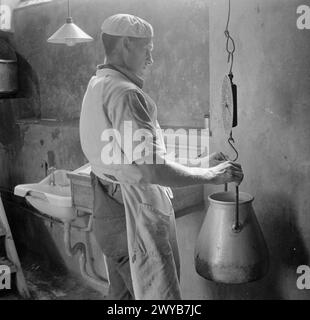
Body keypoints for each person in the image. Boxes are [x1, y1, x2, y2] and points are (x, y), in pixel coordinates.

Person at [79, 13, 243, 300]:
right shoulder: (127, 95)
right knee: (158, 298)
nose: (151, 60)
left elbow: (140, 162)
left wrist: (202, 162)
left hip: (109, 209)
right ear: (127, 44)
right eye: (148, 50)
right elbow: (152, 171)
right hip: (130, 216)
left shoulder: (98, 86)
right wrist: (210, 175)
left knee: (123, 297)